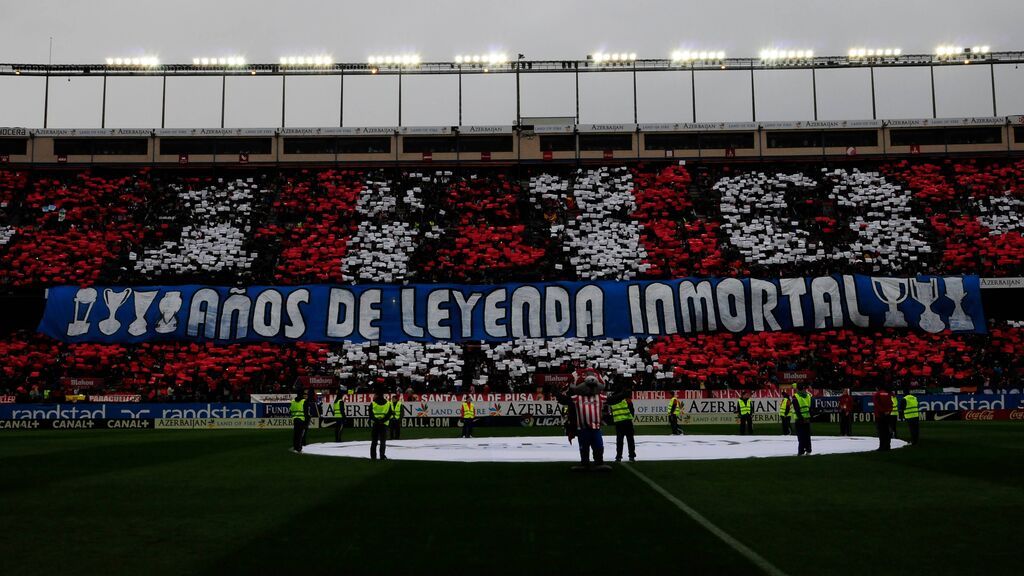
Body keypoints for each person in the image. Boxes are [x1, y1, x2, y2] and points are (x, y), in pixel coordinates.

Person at [555, 371, 627, 471]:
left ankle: (598, 462)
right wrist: (557, 393)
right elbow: (565, 400)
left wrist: (622, 395)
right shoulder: (577, 398)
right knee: (584, 447)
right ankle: (584, 463)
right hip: (582, 429)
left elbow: (612, 399)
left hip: (595, 428)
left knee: (598, 446)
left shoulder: (599, 397)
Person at [609, 382, 636, 462]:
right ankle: (631, 456)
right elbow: (632, 409)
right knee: (630, 440)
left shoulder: (613, 400)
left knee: (619, 441)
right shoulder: (626, 399)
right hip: (627, 422)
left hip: (619, 423)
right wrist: (630, 417)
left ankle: (618, 456)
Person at [369, 391, 393, 460]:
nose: (373, 396)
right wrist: (382, 421)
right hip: (384, 424)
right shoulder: (388, 403)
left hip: (376, 424)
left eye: (374, 395)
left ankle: (373, 456)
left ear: (377, 396)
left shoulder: (373, 403)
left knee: (374, 441)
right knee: (383, 441)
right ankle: (382, 455)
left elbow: (371, 415)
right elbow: (389, 414)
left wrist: (377, 421)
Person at [793, 383, 813, 456]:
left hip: (799, 420)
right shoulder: (808, 396)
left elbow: (797, 410)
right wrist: (809, 417)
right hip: (807, 419)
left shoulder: (795, 397)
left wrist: (801, 418)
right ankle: (808, 450)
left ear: (797, 389)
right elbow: (811, 408)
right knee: (807, 436)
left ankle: (801, 451)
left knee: (801, 436)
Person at [872, 385, 892, 451]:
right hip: (887, 415)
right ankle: (888, 446)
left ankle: (882, 446)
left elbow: (877, 404)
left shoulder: (877, 394)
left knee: (881, 431)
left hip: (880, 415)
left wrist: (883, 411)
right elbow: (891, 404)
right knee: (887, 431)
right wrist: (888, 411)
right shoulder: (888, 394)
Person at [289, 389, 309, 453]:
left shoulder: (292, 401)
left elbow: (290, 411)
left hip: (295, 419)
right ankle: (299, 449)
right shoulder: (304, 401)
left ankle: (295, 447)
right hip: (302, 420)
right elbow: (306, 413)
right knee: (300, 435)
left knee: (295, 434)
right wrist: (306, 422)